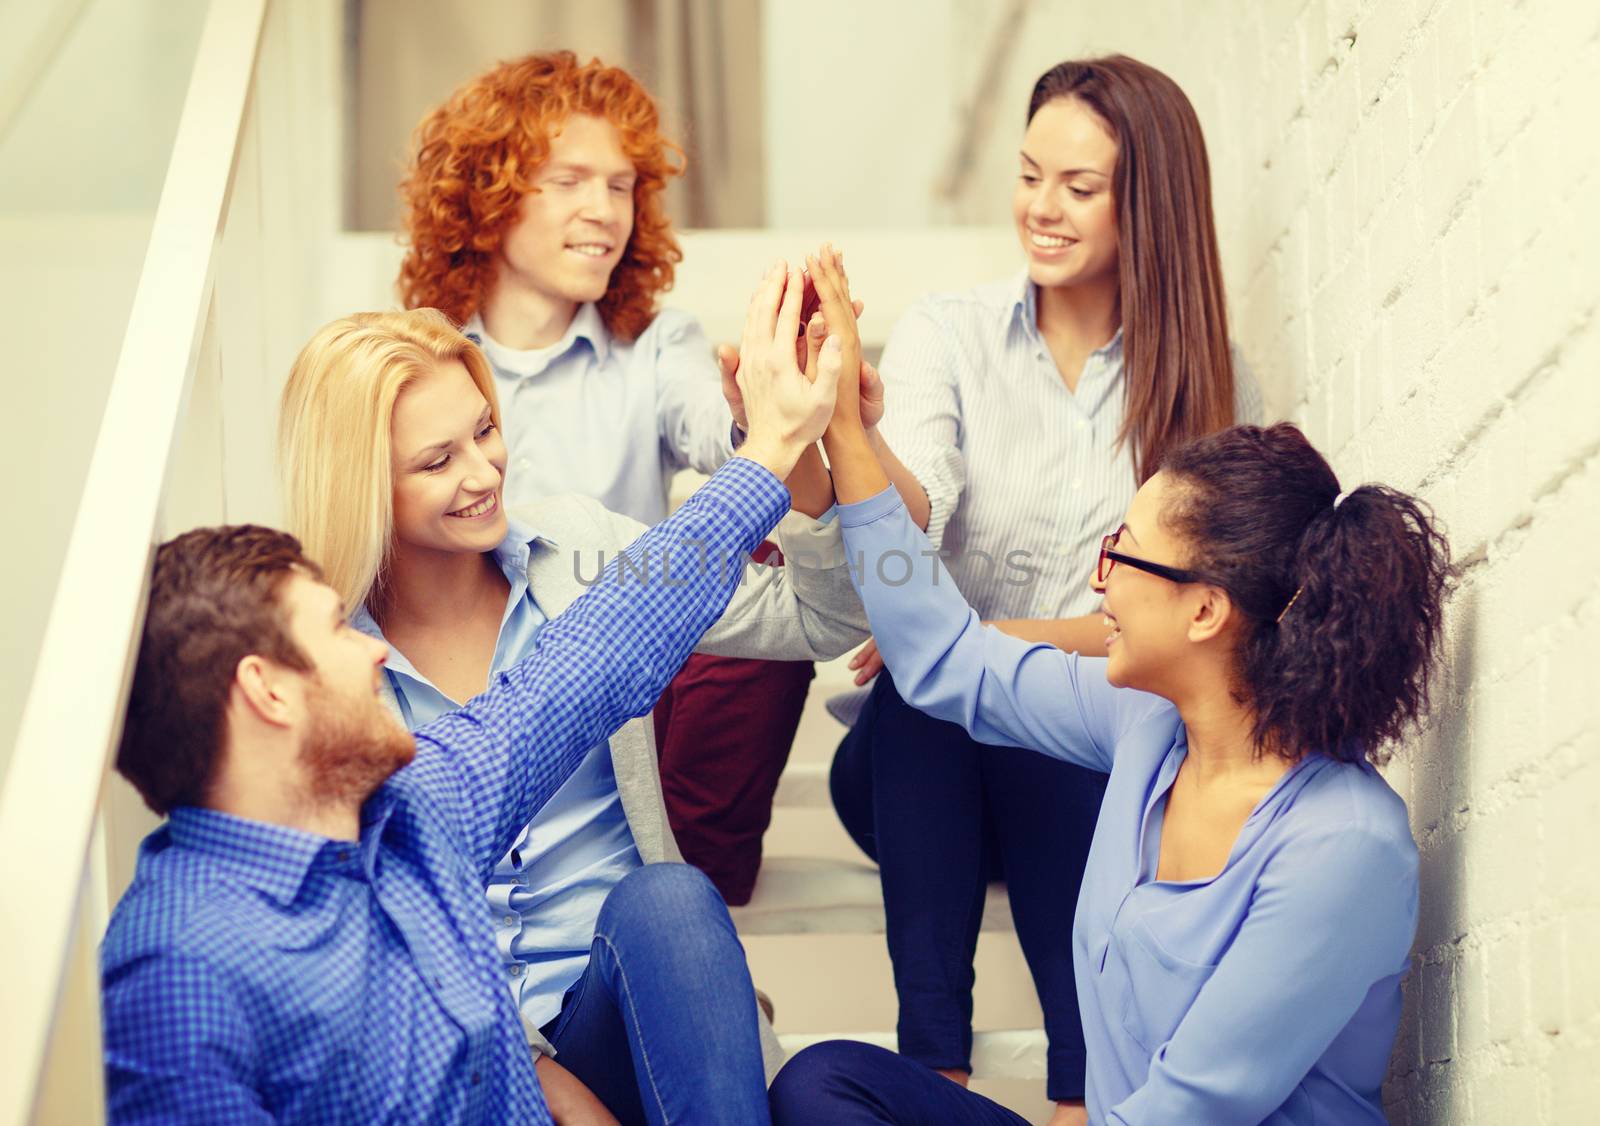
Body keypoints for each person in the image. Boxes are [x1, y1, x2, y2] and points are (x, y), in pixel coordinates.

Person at [98, 263, 836, 1125]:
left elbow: (594, 660)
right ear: (267, 692)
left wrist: (774, 448)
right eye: (334, 636)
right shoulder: (178, 966)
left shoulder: (414, 819)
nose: (371, 658)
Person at [768, 254, 1451, 1124]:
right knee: (827, 1084)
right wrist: (846, 436)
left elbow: (1187, 1111)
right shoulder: (1145, 728)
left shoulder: (1341, 845)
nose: (1099, 587)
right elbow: (942, 655)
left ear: (1205, 610)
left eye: (1120, 553)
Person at [276, 304, 868, 1121]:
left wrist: (800, 465)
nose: (484, 473)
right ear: (360, 484)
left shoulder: (579, 548)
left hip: (638, 1009)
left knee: (667, 900)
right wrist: (534, 1066)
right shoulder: (327, 673)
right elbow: (370, 939)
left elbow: (824, 619)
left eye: (484, 431)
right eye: (437, 460)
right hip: (470, 1065)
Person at [824, 55, 1262, 1121]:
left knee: (1076, 714)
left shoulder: (1202, 379)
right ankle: (936, 1071)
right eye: (1028, 176)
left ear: (1144, 203)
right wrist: (851, 419)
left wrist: (985, 638)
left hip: (1071, 769)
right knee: (938, 696)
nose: (1040, 209)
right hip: (910, 770)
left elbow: (1161, 623)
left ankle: (1080, 1094)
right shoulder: (950, 331)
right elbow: (910, 515)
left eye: (1078, 186)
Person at [398, 50, 819, 904]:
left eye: (623, 186)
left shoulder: (656, 343)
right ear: (488, 194)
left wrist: (759, 412)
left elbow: (715, 427)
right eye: (569, 181)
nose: (604, 212)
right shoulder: (418, 354)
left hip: (633, 695)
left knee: (758, 594)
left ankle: (683, 917)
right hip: (481, 690)